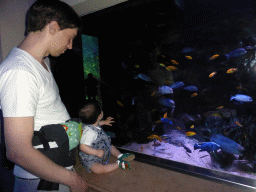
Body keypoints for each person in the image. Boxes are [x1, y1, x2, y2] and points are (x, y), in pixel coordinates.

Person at [0, 0, 88, 191]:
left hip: (53, 175)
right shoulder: (19, 71)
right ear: (54, 27)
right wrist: (72, 179)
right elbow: (18, 151)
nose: (70, 45)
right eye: (69, 37)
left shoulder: (42, 63)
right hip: (40, 183)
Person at [79, 100, 135, 174]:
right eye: (101, 110)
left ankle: (120, 155)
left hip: (100, 147)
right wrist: (96, 152)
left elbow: (98, 123)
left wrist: (104, 122)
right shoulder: (89, 132)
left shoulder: (91, 123)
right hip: (91, 158)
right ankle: (118, 164)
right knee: (98, 170)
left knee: (110, 146)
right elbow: (83, 147)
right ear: (99, 116)